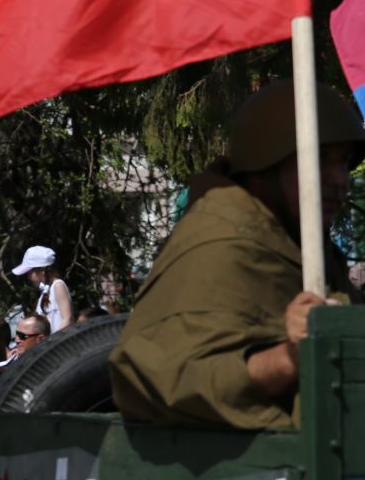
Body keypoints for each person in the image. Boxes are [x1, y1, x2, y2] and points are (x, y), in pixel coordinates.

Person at [112, 79, 363, 428]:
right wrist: (289, 357)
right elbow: (165, 378)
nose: (340, 179)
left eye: (344, 161)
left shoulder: (304, 246)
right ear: (263, 169)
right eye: (318, 158)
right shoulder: (220, 245)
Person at [12, 245, 73, 333]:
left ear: (42, 270)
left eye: (30, 273)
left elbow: (67, 319)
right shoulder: (45, 291)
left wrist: (53, 342)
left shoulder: (58, 285)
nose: (29, 277)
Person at [0, 314, 50, 379]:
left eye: (22, 336)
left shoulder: (51, 373)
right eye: (16, 334)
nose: (16, 340)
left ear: (41, 339)